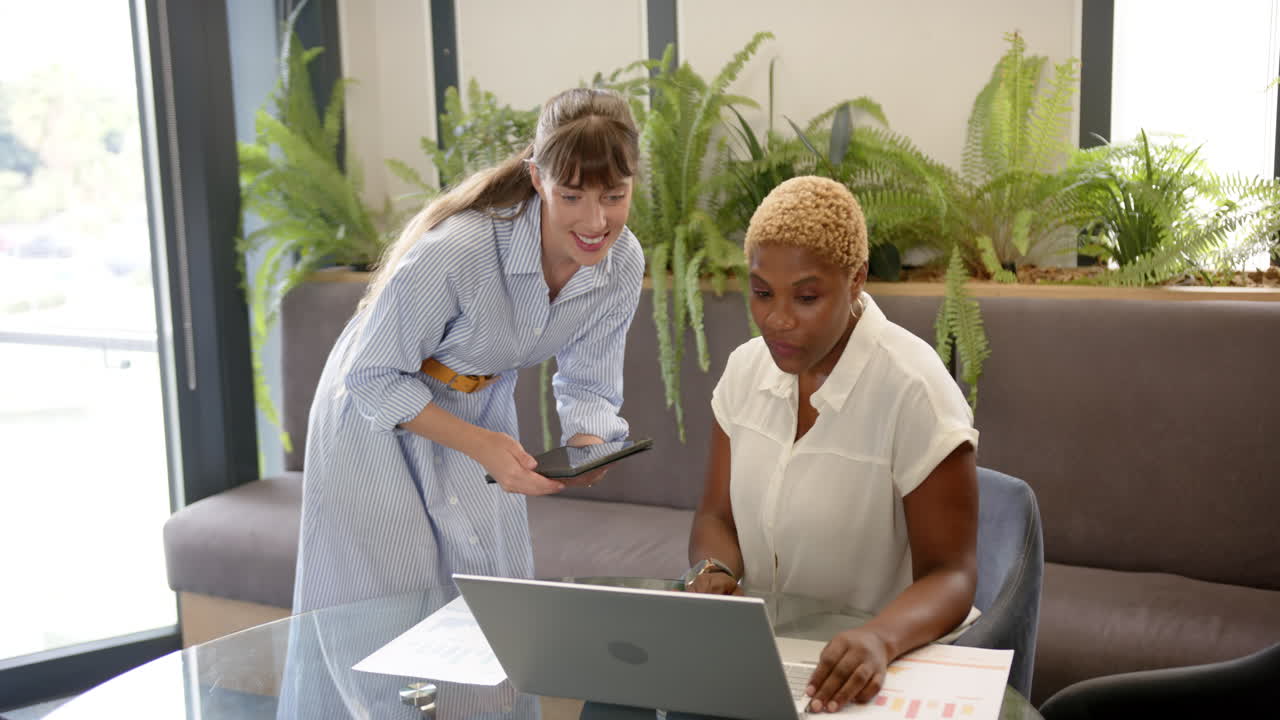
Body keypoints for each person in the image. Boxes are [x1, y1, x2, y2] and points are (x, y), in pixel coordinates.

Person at [292, 87, 644, 613]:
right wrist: (480, 444)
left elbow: (589, 382)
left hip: (477, 406)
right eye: (571, 196)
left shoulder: (622, 263)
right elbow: (372, 374)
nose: (596, 223)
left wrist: (588, 445)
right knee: (389, 611)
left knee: (488, 596)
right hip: (372, 415)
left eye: (613, 196)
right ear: (536, 180)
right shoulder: (461, 250)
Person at [686, 176, 979, 713]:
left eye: (807, 297)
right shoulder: (744, 373)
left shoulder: (915, 390)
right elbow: (717, 518)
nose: (777, 319)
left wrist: (879, 639)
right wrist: (716, 572)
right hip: (772, 657)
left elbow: (952, 576)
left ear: (857, 280)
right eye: (761, 293)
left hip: (880, 663)